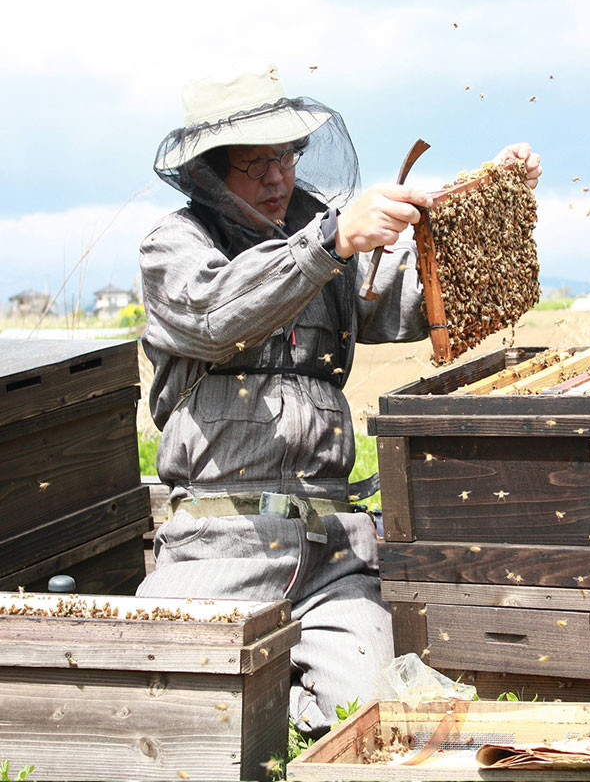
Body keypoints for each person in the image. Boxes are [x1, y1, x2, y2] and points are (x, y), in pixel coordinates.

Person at [137, 65, 542, 735]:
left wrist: (495, 201)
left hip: (332, 553)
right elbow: (217, 314)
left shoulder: (327, 243)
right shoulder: (174, 246)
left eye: (285, 158)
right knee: (162, 713)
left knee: (375, 715)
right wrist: (328, 243)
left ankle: (291, 697)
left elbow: (416, 308)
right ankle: (275, 698)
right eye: (254, 164)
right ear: (209, 173)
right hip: (221, 546)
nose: (277, 178)